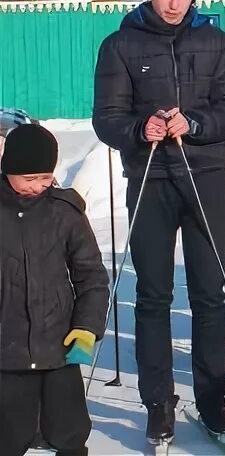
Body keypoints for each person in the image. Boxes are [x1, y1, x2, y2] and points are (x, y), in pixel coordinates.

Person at [92, 0, 225, 443]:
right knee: (153, 294)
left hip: (203, 177)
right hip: (150, 178)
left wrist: (193, 123)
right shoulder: (120, 44)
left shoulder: (216, 42)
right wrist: (142, 128)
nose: (175, 4)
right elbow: (107, 117)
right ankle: (158, 402)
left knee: (208, 291)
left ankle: (212, 397)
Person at [0, 124, 109, 456]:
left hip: (59, 346)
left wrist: (86, 329)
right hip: (8, 350)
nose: (38, 187)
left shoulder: (65, 212)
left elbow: (91, 276)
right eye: (28, 178)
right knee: (8, 436)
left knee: (69, 431)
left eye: (45, 178)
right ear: (7, 171)